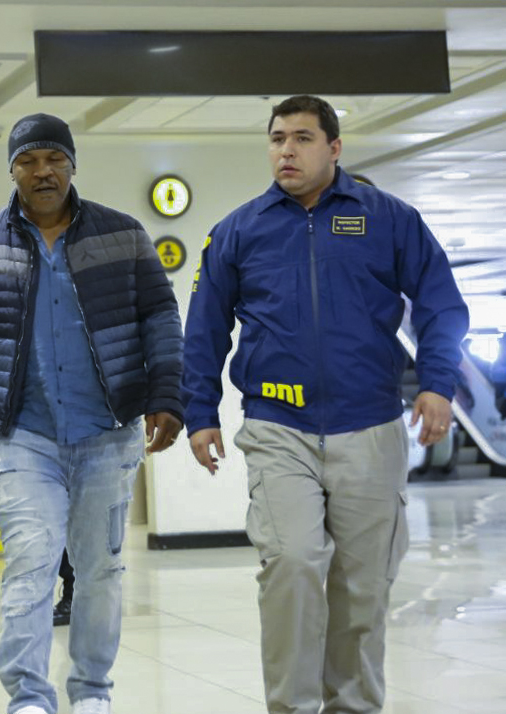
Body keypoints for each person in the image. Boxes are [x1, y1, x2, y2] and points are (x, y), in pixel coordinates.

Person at [182, 95, 469, 714]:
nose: (287, 150)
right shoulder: (239, 229)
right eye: (277, 138)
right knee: (291, 563)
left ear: (334, 149)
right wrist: (200, 412)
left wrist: (436, 382)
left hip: (368, 424)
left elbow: (442, 306)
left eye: (303, 138)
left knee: (363, 588)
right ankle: (291, 707)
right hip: (277, 424)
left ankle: (354, 705)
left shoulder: (389, 219)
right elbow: (204, 327)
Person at [0, 113, 184, 714]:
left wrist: (167, 394)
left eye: (54, 158)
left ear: (73, 165)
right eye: (28, 160)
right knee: (30, 561)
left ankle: (92, 690)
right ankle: (28, 696)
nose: (42, 171)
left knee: (100, 568)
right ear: (12, 170)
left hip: (107, 430)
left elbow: (160, 316)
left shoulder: (123, 235)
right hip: (20, 434)